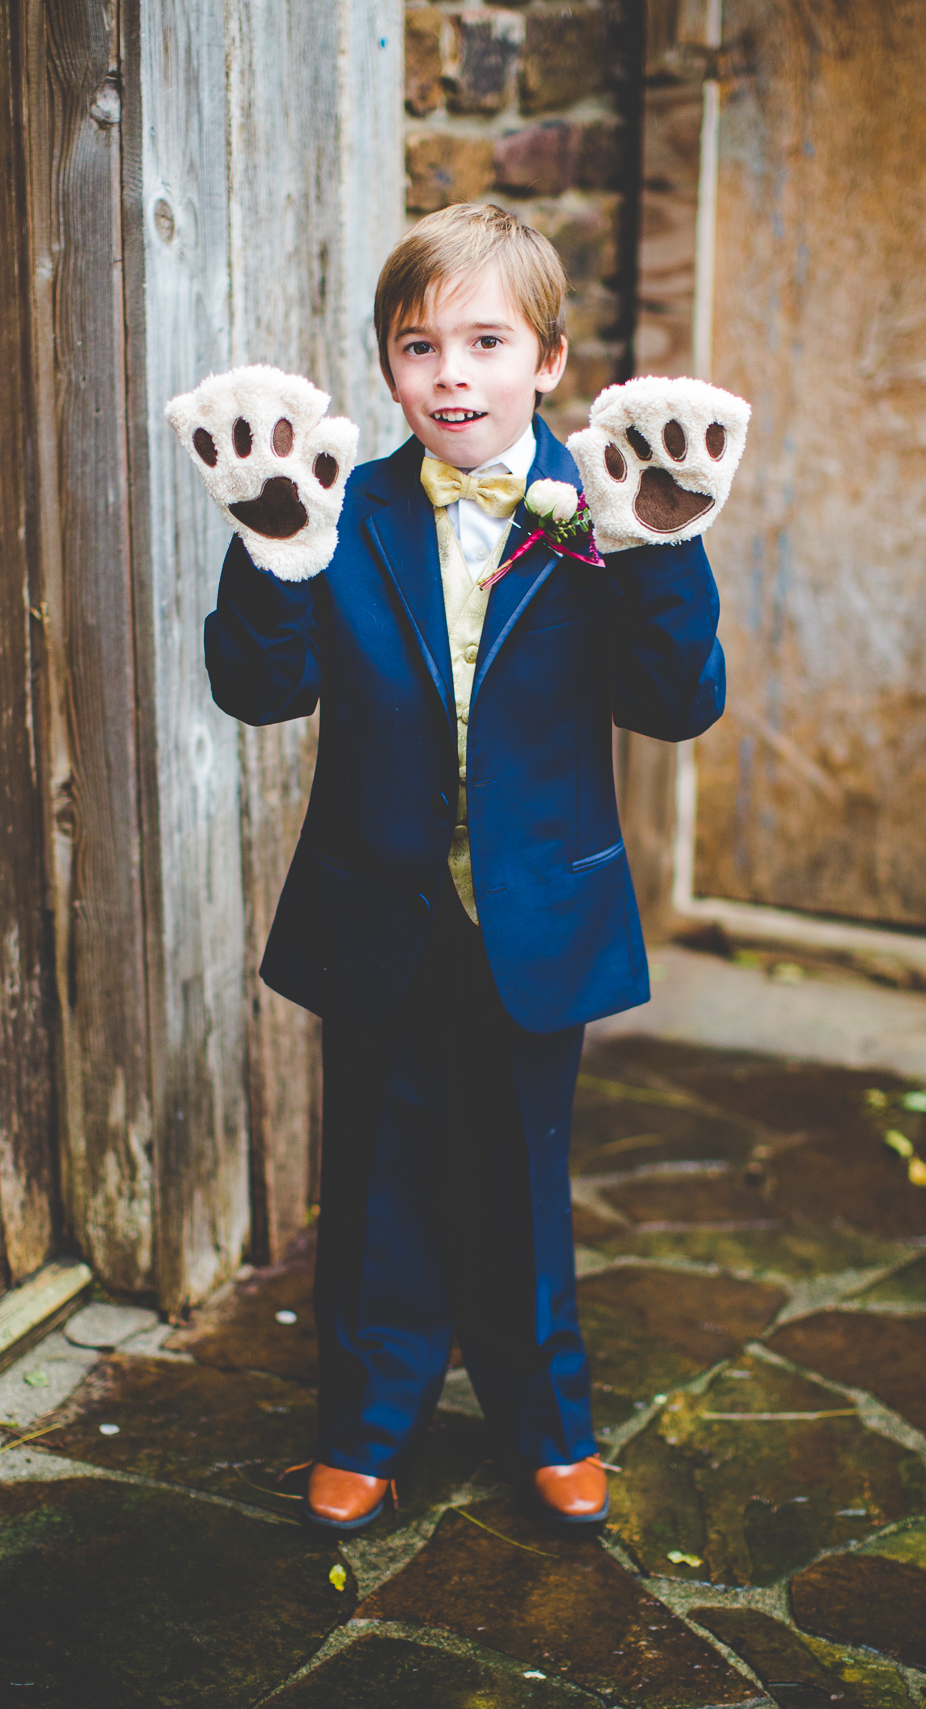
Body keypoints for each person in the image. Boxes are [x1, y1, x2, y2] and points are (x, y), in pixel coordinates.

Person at [183, 202, 742, 1533]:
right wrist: (271, 552)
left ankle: (547, 1421)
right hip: (384, 907)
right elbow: (259, 690)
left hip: (534, 910)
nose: (451, 372)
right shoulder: (342, 506)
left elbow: (678, 702)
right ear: (386, 368)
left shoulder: (602, 511)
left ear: (547, 360)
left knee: (520, 1179)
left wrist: (660, 546)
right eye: (419, 344)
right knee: (377, 1174)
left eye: (485, 341)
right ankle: (367, 1426)